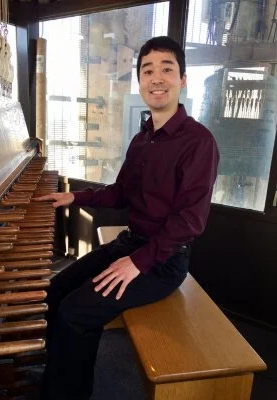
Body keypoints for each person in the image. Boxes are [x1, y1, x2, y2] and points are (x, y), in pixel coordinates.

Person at [37, 36, 219, 400]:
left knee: (76, 313)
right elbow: (121, 193)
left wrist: (137, 262)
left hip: (163, 262)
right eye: (147, 70)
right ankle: (56, 373)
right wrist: (75, 196)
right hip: (130, 243)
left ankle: (66, 393)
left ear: (182, 79)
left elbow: (190, 221)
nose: (156, 78)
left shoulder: (199, 142)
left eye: (167, 69)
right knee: (54, 291)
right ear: (139, 81)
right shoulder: (143, 138)